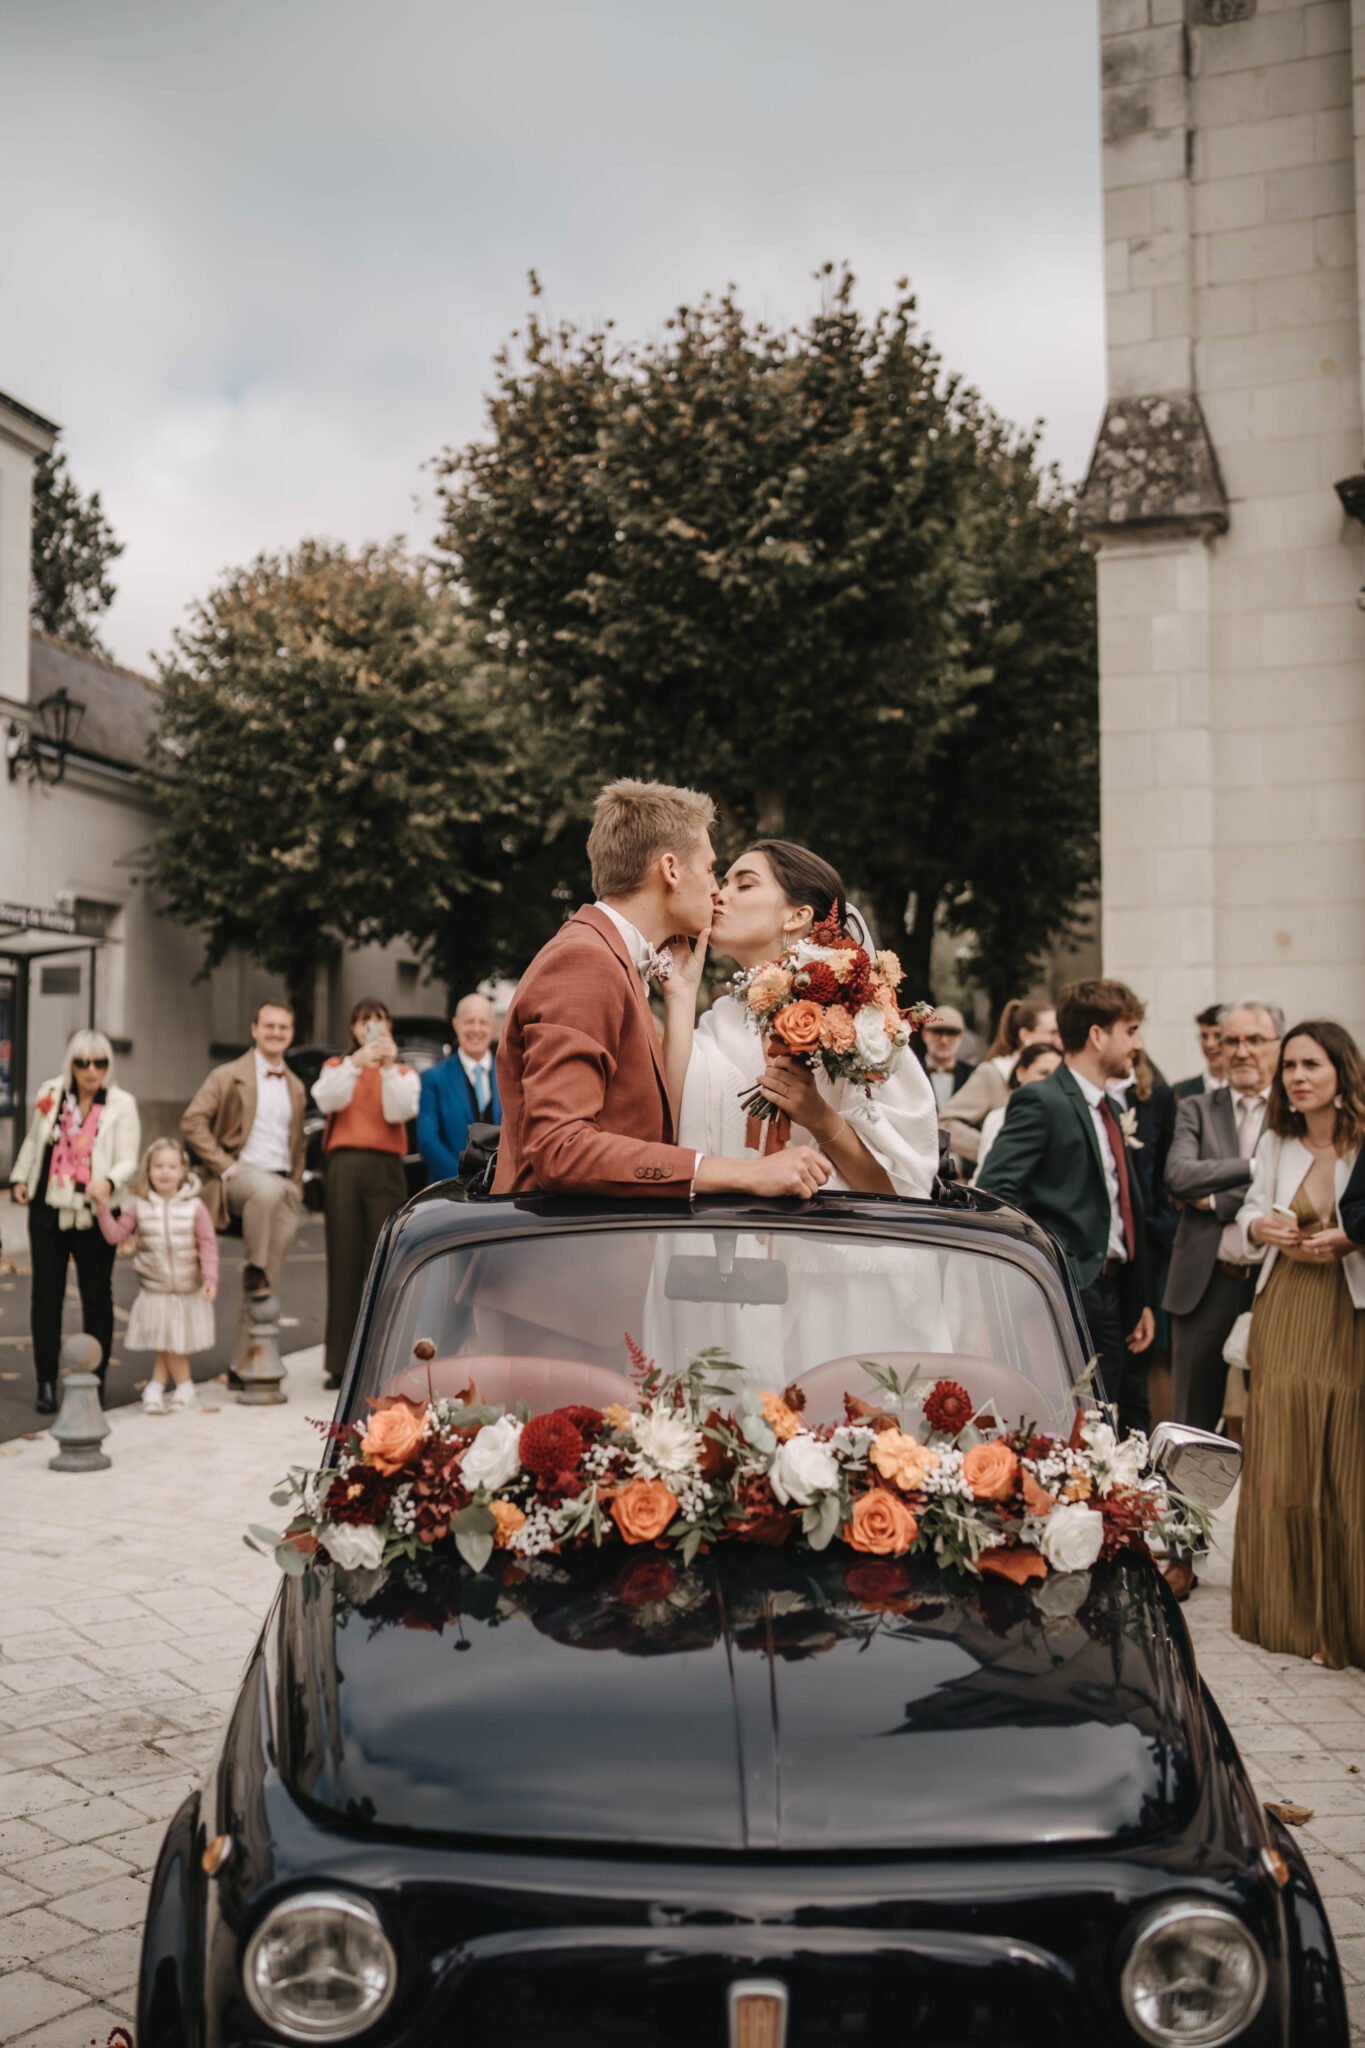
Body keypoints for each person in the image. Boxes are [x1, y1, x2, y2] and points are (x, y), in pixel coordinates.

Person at [494, 778, 830, 1201]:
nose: (715, 890)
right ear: (671, 870)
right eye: (710, 870)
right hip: (564, 1258)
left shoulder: (611, 960)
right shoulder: (585, 962)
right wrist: (745, 1175)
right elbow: (561, 1149)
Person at [663, 839, 938, 1195]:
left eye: (744, 885)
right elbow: (670, 1124)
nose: (718, 894)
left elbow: (902, 1189)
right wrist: (681, 995)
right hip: (723, 1235)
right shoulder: (719, 1022)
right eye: (723, 882)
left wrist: (819, 1116)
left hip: (820, 1243)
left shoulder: (862, 1022)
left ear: (797, 915)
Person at [1231, 1021, 1365, 1668]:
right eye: (1288, 1066)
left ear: (1340, 1070)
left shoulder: (1362, 1141)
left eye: (1310, 1064)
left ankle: (1342, 1619)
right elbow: (1246, 1211)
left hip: (1346, 1309)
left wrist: (1350, 1238)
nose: (1296, 1076)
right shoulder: (1277, 1139)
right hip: (1282, 1303)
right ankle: (1284, 1616)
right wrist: (1261, 1225)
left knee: (1342, 1459)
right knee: (1281, 1451)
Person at [976, 979, 1155, 1436]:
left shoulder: (1108, 1108)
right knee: (1071, 1427)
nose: (1138, 1043)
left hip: (1115, 1294)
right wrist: (1059, 1270)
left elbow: (1121, 1207)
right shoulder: (1043, 1099)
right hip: (1072, 1290)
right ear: (1098, 1035)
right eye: (1131, 1030)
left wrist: (1141, 1297)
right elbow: (997, 1192)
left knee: (1107, 1426)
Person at [1164, 1000, 1283, 1437]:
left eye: (1254, 1039)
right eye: (1230, 1040)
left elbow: (1289, 1192)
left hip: (1273, 1282)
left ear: (1278, 1045)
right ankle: (1182, 1507)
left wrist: (1214, 1200)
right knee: (1190, 1425)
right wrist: (1257, 1169)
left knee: (1274, 1421)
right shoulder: (1195, 1106)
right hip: (1204, 1282)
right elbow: (1178, 1175)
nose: (1241, 1050)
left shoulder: (1293, 1112)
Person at [8, 1030, 141, 1413]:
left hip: (95, 1212)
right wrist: (20, 1177)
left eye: (99, 1062)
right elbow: (35, 1141)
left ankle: (94, 1383)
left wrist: (111, 1181)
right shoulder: (51, 1094)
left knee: (97, 1297)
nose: (90, 1070)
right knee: (45, 1298)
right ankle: (46, 1381)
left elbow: (128, 1158)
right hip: (48, 1209)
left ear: (108, 1066)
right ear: (71, 1064)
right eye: (82, 1062)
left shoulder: (121, 1104)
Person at [312, 999, 421, 1388]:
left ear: (388, 1026)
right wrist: (356, 1063)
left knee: (383, 1262)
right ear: (354, 1029)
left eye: (377, 1021)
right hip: (344, 1166)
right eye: (363, 1022)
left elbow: (399, 1112)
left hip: (386, 1169)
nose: (371, 1028)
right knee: (343, 1261)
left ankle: (381, 1358)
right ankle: (340, 1363)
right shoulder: (337, 1068)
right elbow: (328, 1100)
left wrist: (387, 1067)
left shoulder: (404, 1073)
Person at [181, 1001, 306, 1303]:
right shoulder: (226, 1075)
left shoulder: (296, 1086)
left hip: (282, 1185)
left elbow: (298, 1143)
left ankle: (250, 1349)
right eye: (269, 1026)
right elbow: (192, 1120)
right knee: (264, 1189)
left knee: (265, 1293)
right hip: (240, 1176)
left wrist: (298, 1185)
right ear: (255, 1030)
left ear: (291, 1033)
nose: (276, 1033)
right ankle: (253, 1265)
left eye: (283, 1027)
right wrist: (225, 1165)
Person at [93, 1138, 218, 1414]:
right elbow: (116, 1235)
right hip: (156, 1290)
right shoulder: (139, 1206)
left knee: (170, 1341)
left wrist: (210, 1278)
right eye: (158, 1166)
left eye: (172, 1166)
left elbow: (207, 1245)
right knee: (168, 1340)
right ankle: (177, 1385)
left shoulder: (195, 1207)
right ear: (148, 1170)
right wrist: (102, 1208)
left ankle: (160, 1386)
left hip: (186, 1288)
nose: (165, 1172)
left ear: (183, 1170)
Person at [943, 999, 1061, 1169]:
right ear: (1025, 1035)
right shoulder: (994, 1073)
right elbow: (947, 1123)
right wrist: (993, 1150)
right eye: (1052, 1032)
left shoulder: (1062, 1075)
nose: (1059, 1040)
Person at [417, 993, 501, 1186]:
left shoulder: (510, 1075)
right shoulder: (433, 1078)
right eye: (469, 1022)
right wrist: (462, 1180)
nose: (476, 1029)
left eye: (483, 1022)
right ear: (456, 1024)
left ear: (493, 1026)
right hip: (450, 1191)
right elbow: (428, 1142)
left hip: (502, 1192)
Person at [972, 1040, 1062, 1181]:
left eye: (1056, 1076)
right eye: (1043, 1073)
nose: (1051, 1082)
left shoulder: (1063, 1121)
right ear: (1021, 1072)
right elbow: (982, 1172)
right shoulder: (996, 1118)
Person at [913, 1004, 975, 1112]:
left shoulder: (972, 1075)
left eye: (952, 1033)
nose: (944, 1040)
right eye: (937, 1032)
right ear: (924, 1035)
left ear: (961, 1038)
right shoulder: (912, 1071)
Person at [1175, 1003, 1228, 1100]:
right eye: (1204, 1036)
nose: (1210, 1044)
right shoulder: (1180, 1093)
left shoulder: (1247, 1091)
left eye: (1217, 1036)